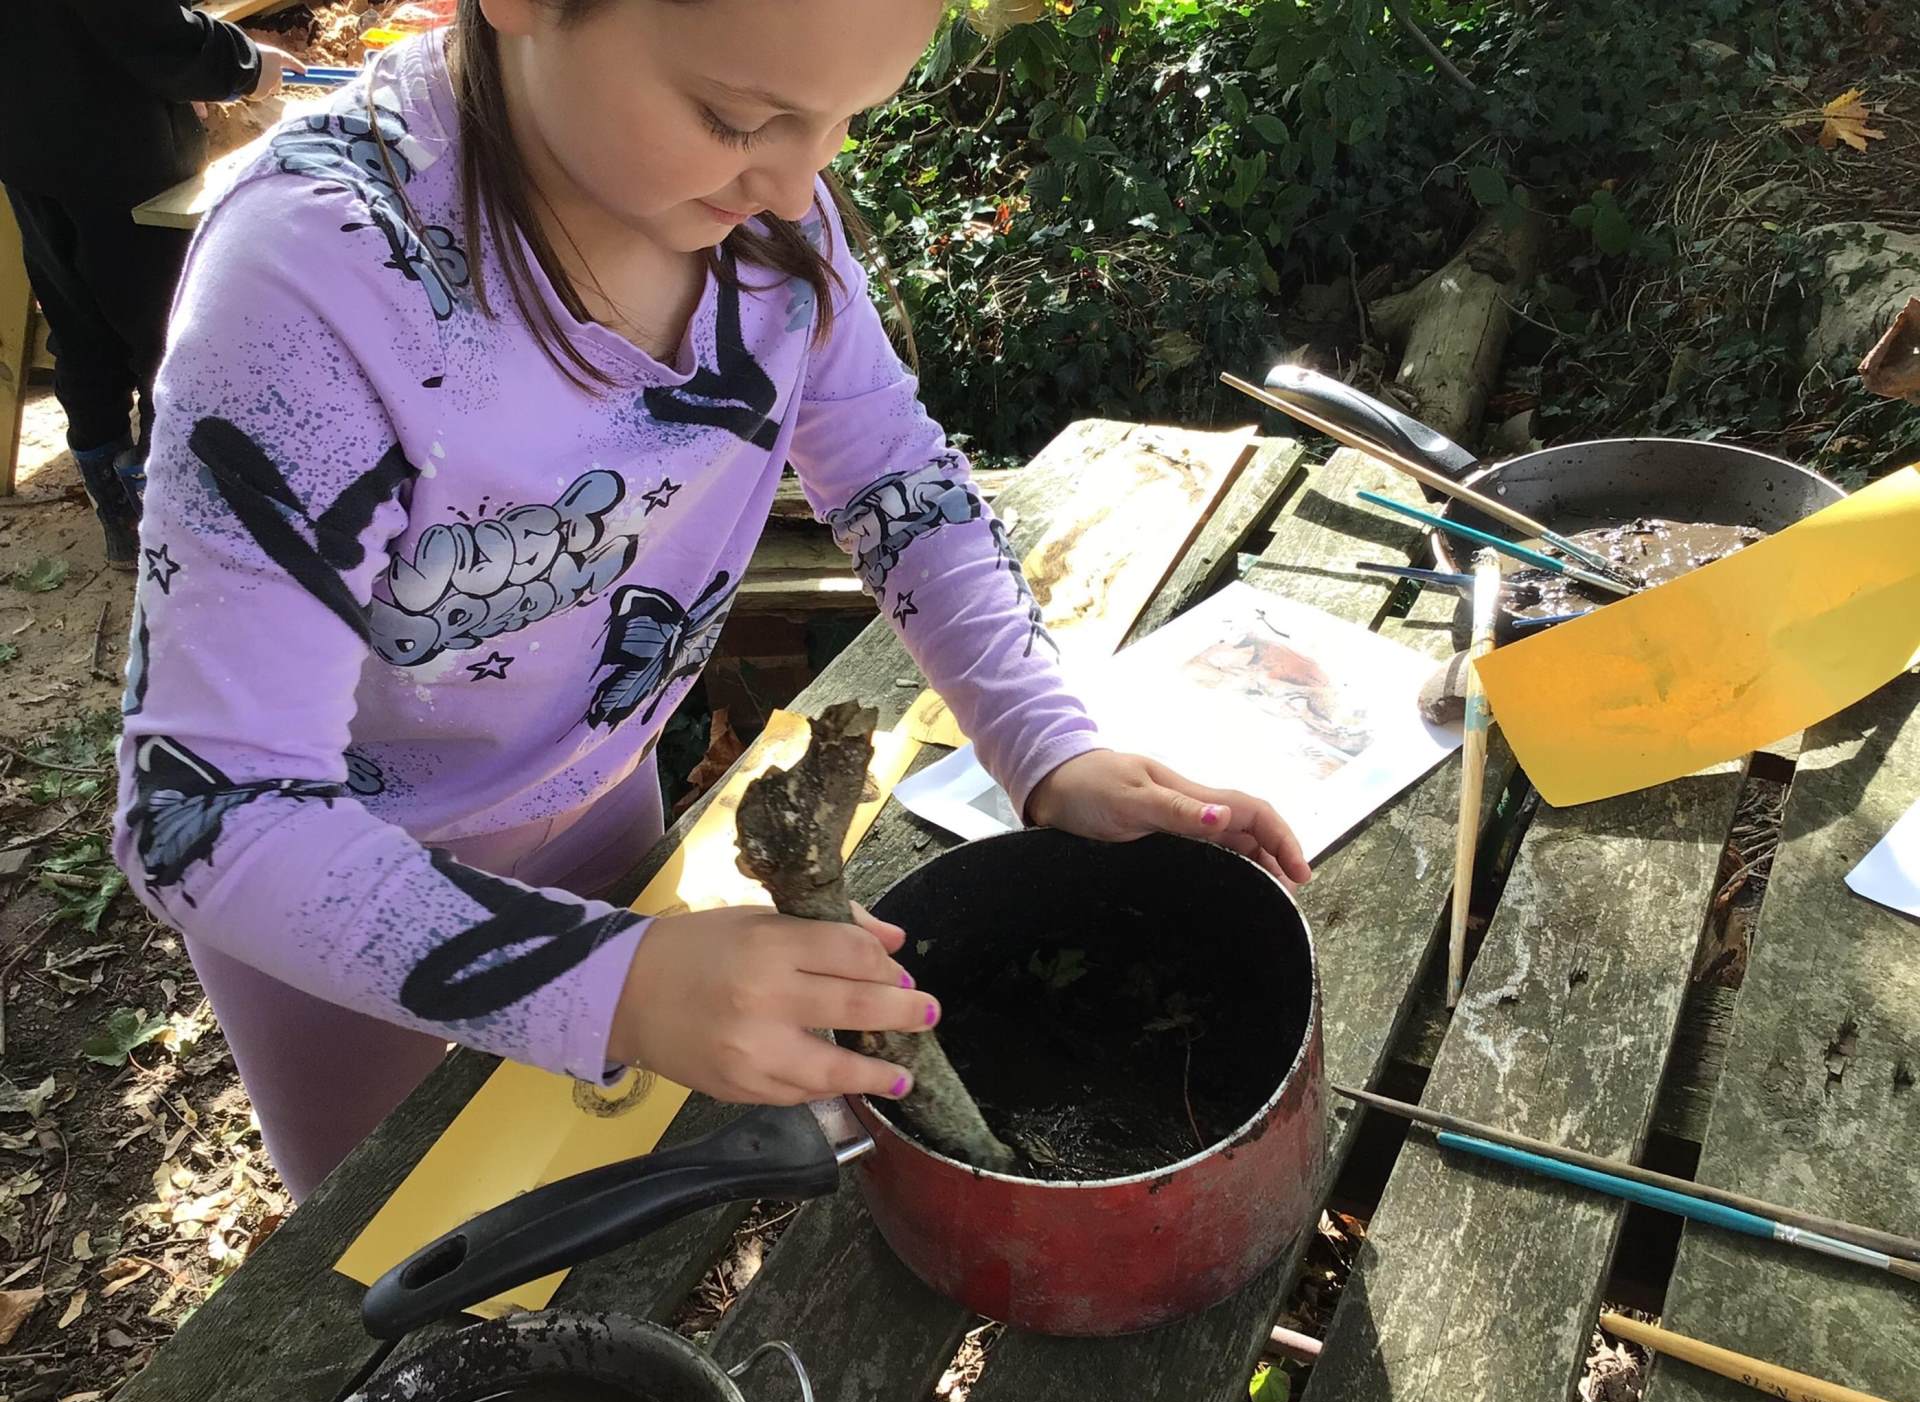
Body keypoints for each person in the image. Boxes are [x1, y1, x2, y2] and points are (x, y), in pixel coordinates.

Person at [111, 0, 1312, 1202]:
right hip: (336, 914)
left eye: (846, 121)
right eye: (737, 119)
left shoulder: (761, 222)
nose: (798, 189)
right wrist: (613, 987)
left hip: (602, 806)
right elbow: (207, 815)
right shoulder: (311, 282)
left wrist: (1045, 743)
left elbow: (897, 480)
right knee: (401, 1235)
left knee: (599, 1199)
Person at [0, 1, 301, 568]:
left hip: (28, 145)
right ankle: (169, 520)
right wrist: (243, 65)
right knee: (164, 339)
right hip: (123, 160)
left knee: (81, 332)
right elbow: (140, 22)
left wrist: (172, 78)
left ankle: (119, 515)